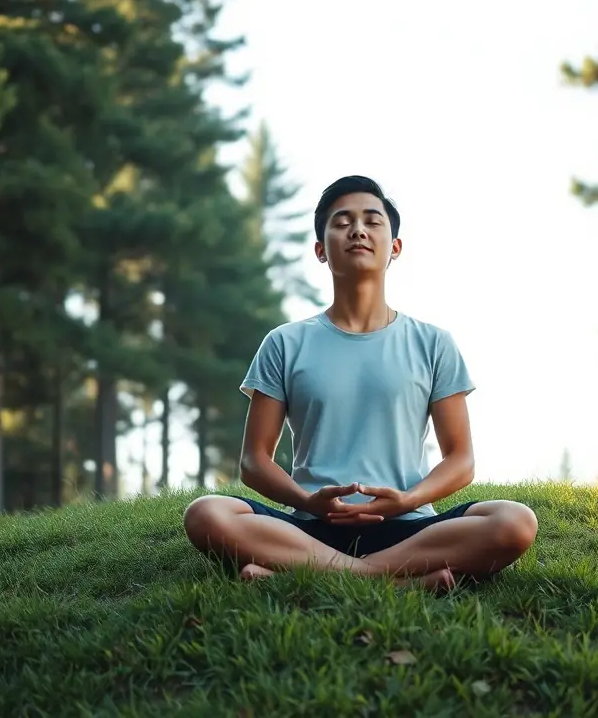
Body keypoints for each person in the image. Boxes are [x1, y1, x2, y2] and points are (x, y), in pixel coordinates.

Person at [183, 175, 537, 593]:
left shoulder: (433, 343)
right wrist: (306, 501)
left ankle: (309, 576)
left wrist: (407, 500)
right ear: (320, 249)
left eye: (372, 220)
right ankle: (394, 582)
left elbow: (460, 460)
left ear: (395, 247)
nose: (357, 230)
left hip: (409, 529)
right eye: (342, 221)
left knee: (515, 521)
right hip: (309, 529)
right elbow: (254, 461)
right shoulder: (284, 342)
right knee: (206, 513)